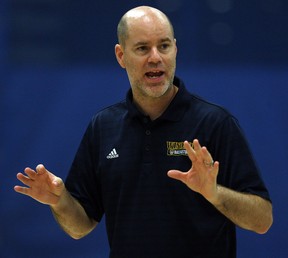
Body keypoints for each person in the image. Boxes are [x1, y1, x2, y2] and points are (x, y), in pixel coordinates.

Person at [14, 5, 273, 258]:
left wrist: (214, 193)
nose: (155, 57)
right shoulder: (104, 127)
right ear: (121, 56)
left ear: (175, 49)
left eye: (164, 46)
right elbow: (80, 226)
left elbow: (262, 219)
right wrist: (58, 201)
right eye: (142, 48)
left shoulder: (215, 123)